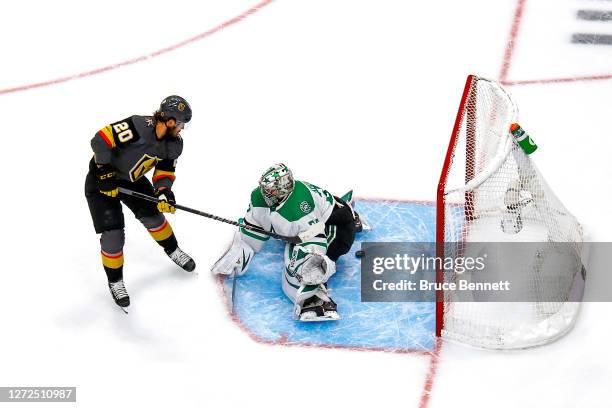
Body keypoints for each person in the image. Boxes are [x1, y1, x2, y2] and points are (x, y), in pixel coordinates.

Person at [85, 95, 196, 309]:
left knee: (155, 218)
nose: (182, 129)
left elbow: (165, 170)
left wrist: (164, 192)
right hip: (101, 183)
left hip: (132, 181)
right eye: (181, 123)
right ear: (170, 121)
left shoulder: (174, 145)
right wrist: (105, 172)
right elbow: (99, 140)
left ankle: (173, 250)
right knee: (113, 235)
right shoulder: (136, 126)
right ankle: (115, 281)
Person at [212, 163, 362, 321]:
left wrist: (307, 266)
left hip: (336, 227)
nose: (266, 194)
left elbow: (315, 240)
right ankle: (348, 211)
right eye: (265, 189)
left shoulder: (299, 206)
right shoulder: (259, 196)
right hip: (313, 221)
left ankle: (313, 299)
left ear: (284, 189)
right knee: (293, 240)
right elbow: (255, 224)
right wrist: (243, 247)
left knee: (302, 265)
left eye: (271, 191)